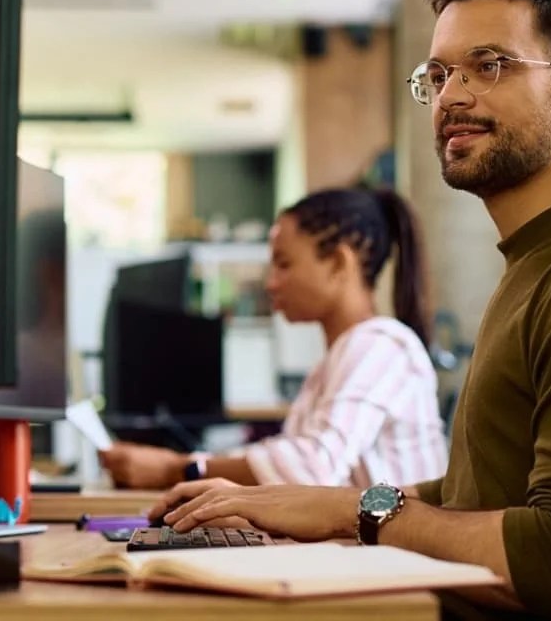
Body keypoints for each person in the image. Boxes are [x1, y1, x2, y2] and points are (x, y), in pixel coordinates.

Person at [149, 0, 551, 621]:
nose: (452, 96)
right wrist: (315, 511)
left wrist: (349, 509)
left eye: (490, 65)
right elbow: (476, 495)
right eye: (439, 75)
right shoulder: (541, 266)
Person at [99, 187, 448, 490]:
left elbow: (311, 467)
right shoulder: (340, 358)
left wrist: (177, 469)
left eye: (283, 264)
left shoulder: (381, 345)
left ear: (339, 263)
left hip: (393, 560)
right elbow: (293, 461)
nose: (270, 283)